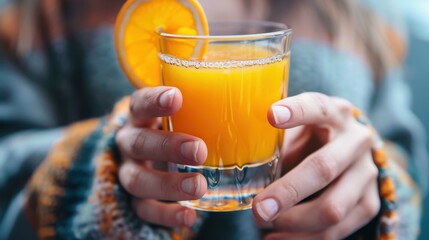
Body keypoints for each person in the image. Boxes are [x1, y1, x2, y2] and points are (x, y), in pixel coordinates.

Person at [0, 0, 426, 239]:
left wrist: (376, 189)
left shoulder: (368, 20)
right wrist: (97, 166)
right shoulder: (39, 17)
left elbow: (405, 162)